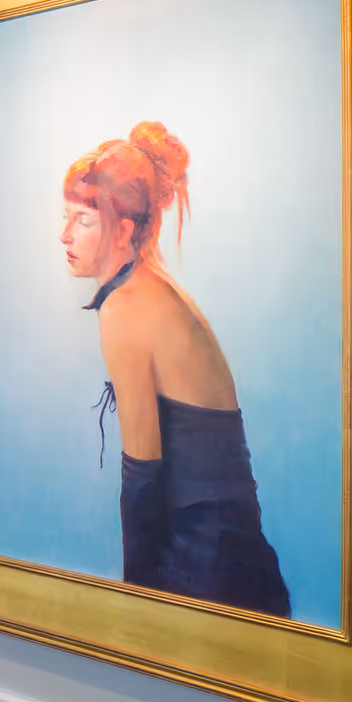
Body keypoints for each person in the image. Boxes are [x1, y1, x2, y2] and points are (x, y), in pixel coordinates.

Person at [60, 121, 291, 616]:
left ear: (122, 230)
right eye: (66, 217)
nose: (64, 235)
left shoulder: (126, 306)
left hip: (206, 567)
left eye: (82, 220)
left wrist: (138, 605)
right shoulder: (151, 286)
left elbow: (143, 472)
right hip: (237, 557)